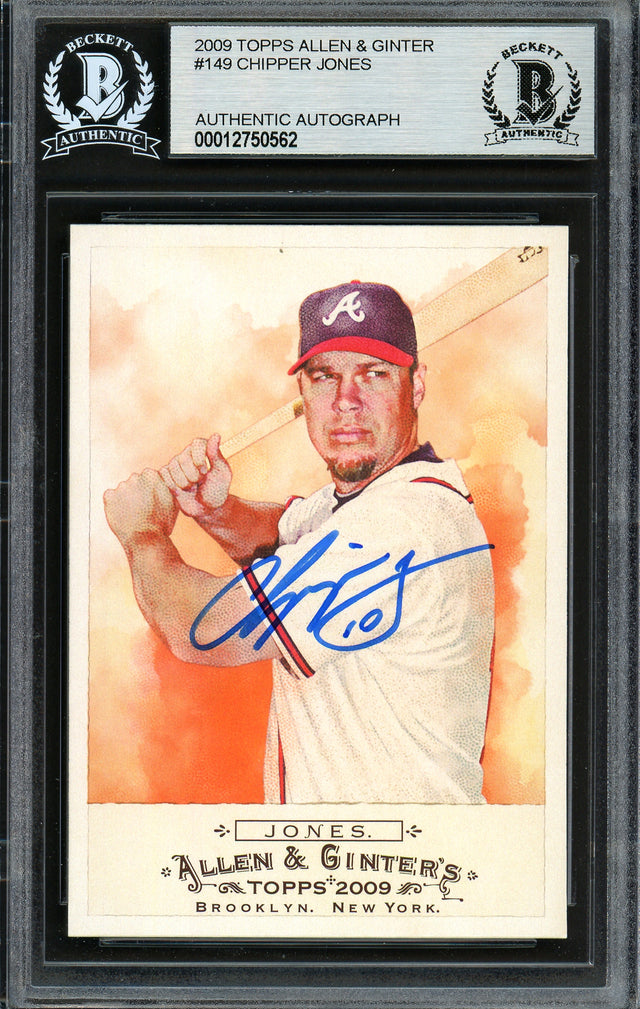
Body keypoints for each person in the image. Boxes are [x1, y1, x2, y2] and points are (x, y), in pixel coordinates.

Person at [104, 281, 495, 804]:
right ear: (304, 394)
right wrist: (216, 509)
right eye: (324, 377)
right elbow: (287, 531)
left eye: (373, 374)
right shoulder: (380, 499)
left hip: (394, 849)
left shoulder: (399, 525)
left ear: (416, 385)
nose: (346, 402)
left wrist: (141, 533)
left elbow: (202, 629)